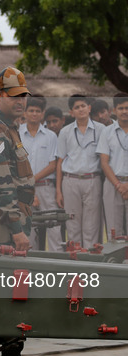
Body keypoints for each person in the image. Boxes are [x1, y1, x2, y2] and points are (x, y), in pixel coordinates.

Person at [0, 66, 49, 356]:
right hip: (5, 221)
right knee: (12, 288)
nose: (20, 102)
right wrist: (18, 231)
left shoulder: (8, 127)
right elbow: (4, 184)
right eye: (14, 96)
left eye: (23, 96)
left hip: (5, 217)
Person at [56, 94, 105, 249]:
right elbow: (60, 161)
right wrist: (58, 190)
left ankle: (90, 263)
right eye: (77, 107)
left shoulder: (101, 130)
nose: (81, 109)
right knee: (72, 225)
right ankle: (75, 264)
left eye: (83, 106)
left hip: (93, 179)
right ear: (71, 112)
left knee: (91, 226)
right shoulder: (65, 132)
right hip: (70, 181)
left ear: (89, 108)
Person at [19, 97, 62, 251]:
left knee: (54, 229)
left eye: (38, 111)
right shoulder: (17, 134)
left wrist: (32, 180)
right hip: (23, 188)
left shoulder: (51, 136)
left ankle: (58, 267)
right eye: (31, 110)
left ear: (43, 113)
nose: (34, 114)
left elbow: (52, 165)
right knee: (28, 229)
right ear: (25, 112)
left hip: (46, 188)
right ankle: (31, 266)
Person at [96, 93, 128, 240]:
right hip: (112, 184)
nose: (125, 111)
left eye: (127, 108)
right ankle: (116, 263)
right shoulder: (107, 132)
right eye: (121, 108)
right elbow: (104, 161)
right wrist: (118, 185)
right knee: (114, 232)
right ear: (114, 110)